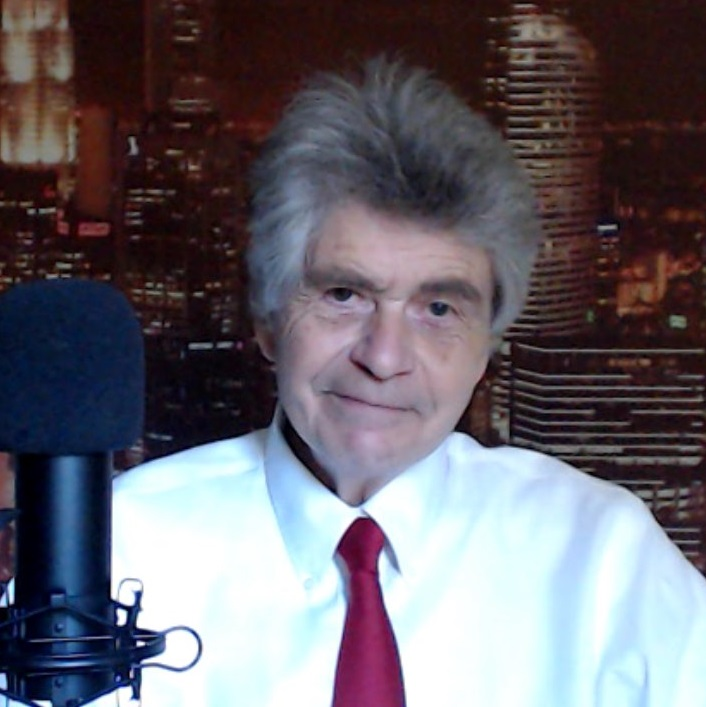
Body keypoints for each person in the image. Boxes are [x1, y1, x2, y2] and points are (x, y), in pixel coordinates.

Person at [107, 57, 706, 705]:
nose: (385, 357)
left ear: (486, 350)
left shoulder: (605, 559)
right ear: (269, 321)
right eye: (343, 295)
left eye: (439, 308)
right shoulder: (121, 548)